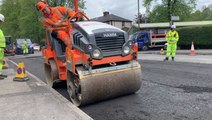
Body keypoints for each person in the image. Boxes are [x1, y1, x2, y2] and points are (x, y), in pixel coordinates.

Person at [0, 14, 7, 79]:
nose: (1, 23)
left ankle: (0, 73)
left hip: (1, 48)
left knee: (0, 62)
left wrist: (3, 48)